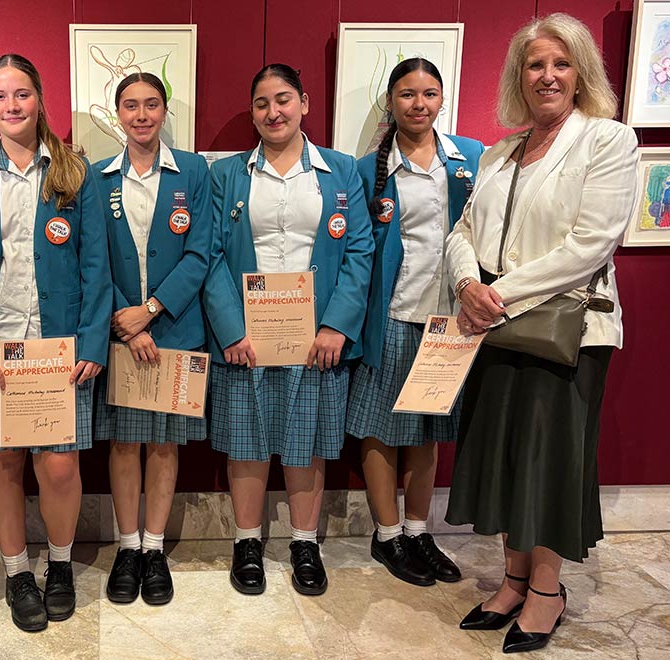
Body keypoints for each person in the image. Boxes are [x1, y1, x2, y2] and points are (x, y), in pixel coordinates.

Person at [443, 13, 638, 654]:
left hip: (565, 332)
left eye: (560, 63)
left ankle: (547, 593)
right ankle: (513, 581)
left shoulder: (607, 140)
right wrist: (467, 284)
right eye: (535, 65)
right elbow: (463, 232)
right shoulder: (498, 153)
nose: (547, 76)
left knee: (548, 464)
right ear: (518, 76)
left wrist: (497, 295)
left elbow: (591, 244)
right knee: (506, 460)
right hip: (497, 328)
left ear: (580, 73)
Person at [0, 53, 109, 632]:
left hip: (58, 350)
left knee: (59, 466)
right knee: (4, 461)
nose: (11, 106)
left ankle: (58, 565)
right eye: (0, 96)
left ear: (39, 100)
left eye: (22, 94)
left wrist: (92, 341)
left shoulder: (73, 172)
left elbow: (95, 262)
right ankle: (17, 572)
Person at [202, 64, 374, 598]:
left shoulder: (341, 171)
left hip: (316, 338)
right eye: (261, 103)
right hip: (247, 339)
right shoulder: (227, 174)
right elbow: (210, 255)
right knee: (246, 441)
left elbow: (359, 250)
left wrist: (337, 325)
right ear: (252, 112)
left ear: (304, 103)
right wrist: (231, 330)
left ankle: (304, 543)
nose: (273, 112)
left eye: (283, 99)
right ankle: (246, 543)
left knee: (307, 443)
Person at [347, 58, 484, 587]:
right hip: (392, 315)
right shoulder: (367, 170)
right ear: (391, 102)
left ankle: (418, 530)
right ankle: (387, 535)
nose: (418, 104)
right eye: (407, 94)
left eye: (429, 93)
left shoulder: (471, 158)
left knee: (427, 430)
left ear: (442, 100)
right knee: (381, 428)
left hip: (450, 321)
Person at [91, 72, 212, 607]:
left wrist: (151, 312)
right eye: (130, 105)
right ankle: (127, 547)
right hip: (118, 329)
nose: (141, 115)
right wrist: (126, 318)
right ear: (117, 113)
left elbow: (201, 252)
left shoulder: (194, 171)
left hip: (175, 329)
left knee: (164, 443)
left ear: (164, 111)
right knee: (124, 443)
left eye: (151, 104)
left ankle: (155, 547)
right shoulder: (96, 178)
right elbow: (92, 257)